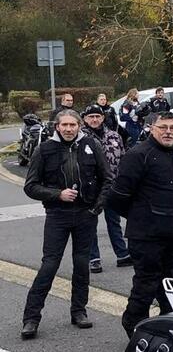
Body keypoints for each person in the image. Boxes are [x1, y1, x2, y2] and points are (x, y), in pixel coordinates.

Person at [20, 110, 108, 339]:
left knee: (81, 265)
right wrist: (57, 194)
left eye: (73, 125)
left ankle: (79, 311)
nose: (69, 129)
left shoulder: (92, 145)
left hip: (85, 215)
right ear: (57, 127)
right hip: (57, 215)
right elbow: (30, 187)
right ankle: (31, 318)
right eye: (65, 125)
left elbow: (108, 180)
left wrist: (95, 208)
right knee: (49, 265)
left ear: (79, 126)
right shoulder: (44, 150)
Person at [107, 112, 173, 337]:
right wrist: (141, 216)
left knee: (171, 282)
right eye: (163, 127)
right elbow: (117, 197)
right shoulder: (138, 154)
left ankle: (170, 324)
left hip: (171, 232)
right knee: (146, 283)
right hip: (145, 235)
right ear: (151, 128)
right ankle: (134, 325)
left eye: (172, 127)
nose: (168, 132)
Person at [82, 105, 131, 273]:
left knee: (114, 222)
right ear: (85, 119)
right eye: (91, 117)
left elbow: (123, 159)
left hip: (112, 187)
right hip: (90, 189)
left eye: (97, 116)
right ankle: (94, 258)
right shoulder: (79, 137)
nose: (94, 119)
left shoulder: (114, 135)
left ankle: (122, 254)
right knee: (90, 225)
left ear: (103, 118)